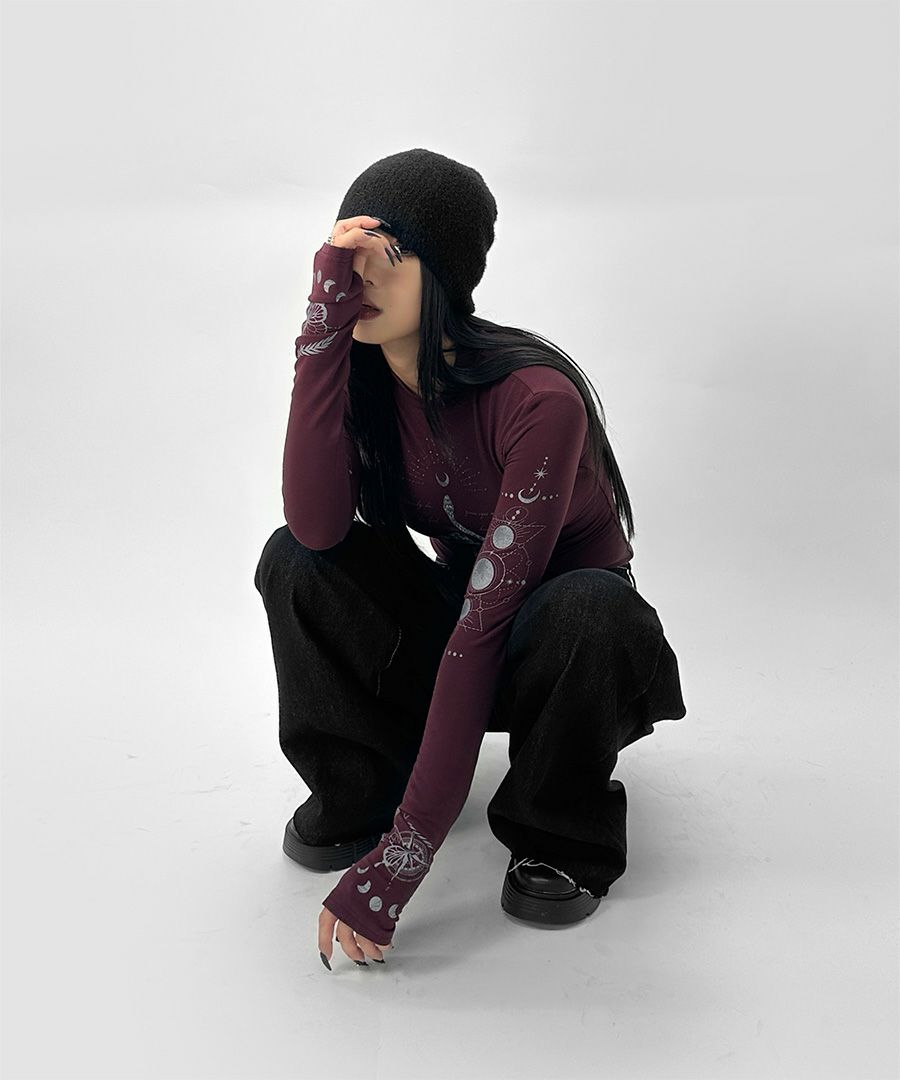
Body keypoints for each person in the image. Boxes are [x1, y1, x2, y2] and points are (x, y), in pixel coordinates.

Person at [253, 148, 688, 971]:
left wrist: (404, 860)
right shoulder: (364, 383)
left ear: (444, 274)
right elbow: (316, 528)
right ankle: (364, 787)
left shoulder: (538, 402)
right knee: (295, 559)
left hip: (558, 656)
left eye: (384, 253)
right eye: (343, 254)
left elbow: (486, 630)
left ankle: (558, 827)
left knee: (590, 608)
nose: (357, 275)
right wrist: (320, 337)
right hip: (460, 621)